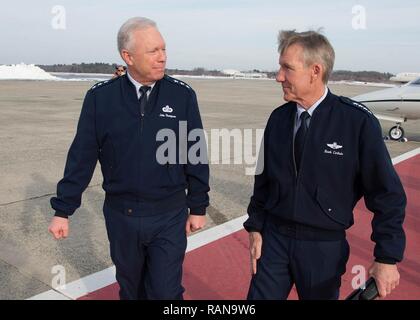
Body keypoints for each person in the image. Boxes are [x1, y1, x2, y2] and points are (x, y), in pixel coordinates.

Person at [48, 17, 210, 300]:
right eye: (153, 51)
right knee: (131, 290)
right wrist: (63, 210)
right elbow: (82, 156)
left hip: (168, 214)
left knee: (165, 291)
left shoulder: (182, 95)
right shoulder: (101, 98)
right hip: (122, 216)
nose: (163, 57)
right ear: (128, 57)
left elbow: (194, 153)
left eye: (163, 49)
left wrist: (198, 205)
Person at [243, 30, 406, 300]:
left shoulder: (356, 122)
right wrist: (256, 226)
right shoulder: (278, 119)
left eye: (287, 68)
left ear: (315, 71)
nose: (278, 76)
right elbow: (263, 181)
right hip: (274, 242)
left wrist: (387, 257)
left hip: (323, 249)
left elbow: (387, 194)